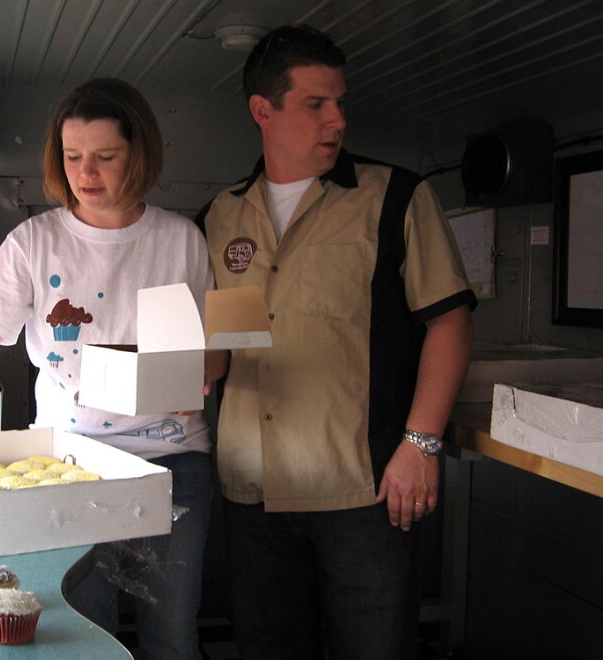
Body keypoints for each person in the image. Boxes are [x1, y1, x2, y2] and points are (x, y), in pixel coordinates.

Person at [0, 78, 219, 659]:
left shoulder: (181, 239)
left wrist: (199, 374)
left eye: (106, 157)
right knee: (80, 630)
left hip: (174, 459)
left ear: (141, 153)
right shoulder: (35, 241)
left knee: (172, 636)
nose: (87, 173)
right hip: (71, 462)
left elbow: (211, 349)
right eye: (74, 158)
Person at [198, 25, 476, 660]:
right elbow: (217, 345)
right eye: (315, 104)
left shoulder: (396, 196)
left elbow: (450, 321)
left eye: (340, 103)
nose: (337, 120)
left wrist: (421, 444)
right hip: (253, 486)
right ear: (262, 111)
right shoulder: (220, 216)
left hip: (366, 487)